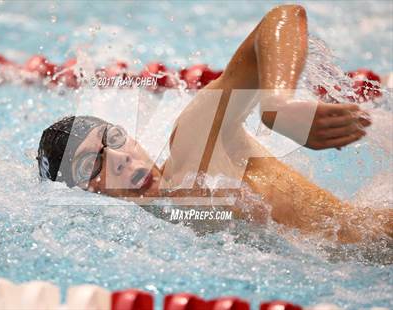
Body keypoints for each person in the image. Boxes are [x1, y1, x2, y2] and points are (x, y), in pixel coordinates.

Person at [37, 5, 392, 244]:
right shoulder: (163, 233)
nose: (117, 158)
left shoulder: (193, 148)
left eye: (112, 138)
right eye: (92, 164)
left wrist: (278, 104)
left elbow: (283, 17)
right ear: (78, 194)